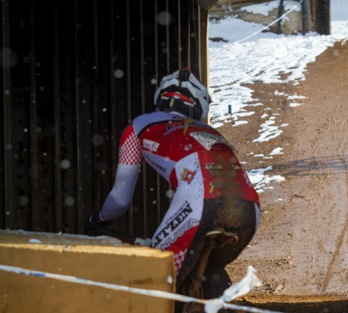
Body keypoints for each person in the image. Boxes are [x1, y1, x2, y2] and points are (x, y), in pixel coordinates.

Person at [85, 67, 260, 299]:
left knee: (157, 283)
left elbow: (120, 199)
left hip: (200, 203)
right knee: (209, 267)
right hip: (249, 209)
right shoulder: (210, 131)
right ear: (199, 107)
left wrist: (98, 219)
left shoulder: (138, 126)